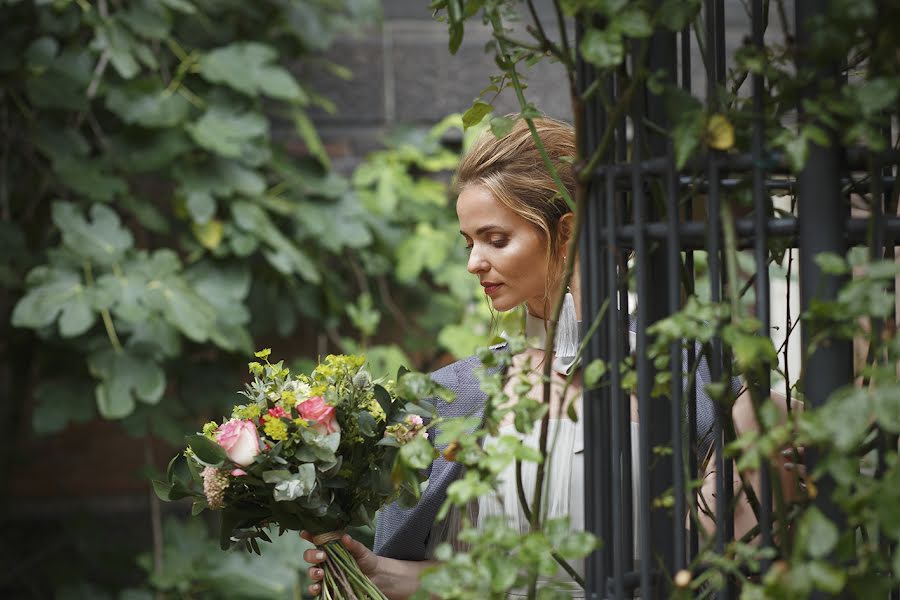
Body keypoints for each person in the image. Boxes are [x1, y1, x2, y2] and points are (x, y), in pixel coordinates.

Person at [302, 117, 802, 598]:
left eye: (496, 239)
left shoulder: (691, 383)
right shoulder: (458, 395)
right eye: (470, 242)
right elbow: (465, 580)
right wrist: (375, 572)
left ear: (566, 231)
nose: (474, 262)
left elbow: (726, 565)